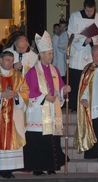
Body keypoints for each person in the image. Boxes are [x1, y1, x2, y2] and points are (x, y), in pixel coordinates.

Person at [23, 31, 71, 176]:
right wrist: (44, 97)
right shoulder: (32, 72)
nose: (52, 56)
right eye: (49, 53)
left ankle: (51, 166)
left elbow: (58, 90)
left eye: (52, 53)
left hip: (52, 110)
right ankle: (37, 168)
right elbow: (27, 93)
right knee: (39, 141)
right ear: (41, 54)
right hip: (38, 112)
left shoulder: (55, 70)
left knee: (52, 139)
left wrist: (64, 90)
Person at [67, 0, 98, 111]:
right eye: (87, 11)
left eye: (91, 11)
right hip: (79, 53)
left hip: (91, 53)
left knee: (90, 80)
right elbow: (70, 34)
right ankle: (75, 105)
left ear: (95, 8)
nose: (89, 13)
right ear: (84, 8)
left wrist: (93, 40)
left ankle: (92, 103)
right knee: (77, 80)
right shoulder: (75, 16)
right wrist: (84, 40)